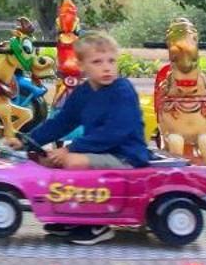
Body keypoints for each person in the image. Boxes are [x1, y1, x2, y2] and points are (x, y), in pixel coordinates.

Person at [25, 33, 151, 204]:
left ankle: (91, 218)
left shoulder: (123, 90)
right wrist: (27, 140)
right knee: (45, 159)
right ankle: (56, 207)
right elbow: (61, 123)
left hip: (126, 156)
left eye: (111, 61)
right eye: (97, 62)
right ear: (81, 65)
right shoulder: (83, 92)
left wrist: (71, 149)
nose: (106, 67)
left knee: (71, 162)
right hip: (99, 152)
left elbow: (113, 133)